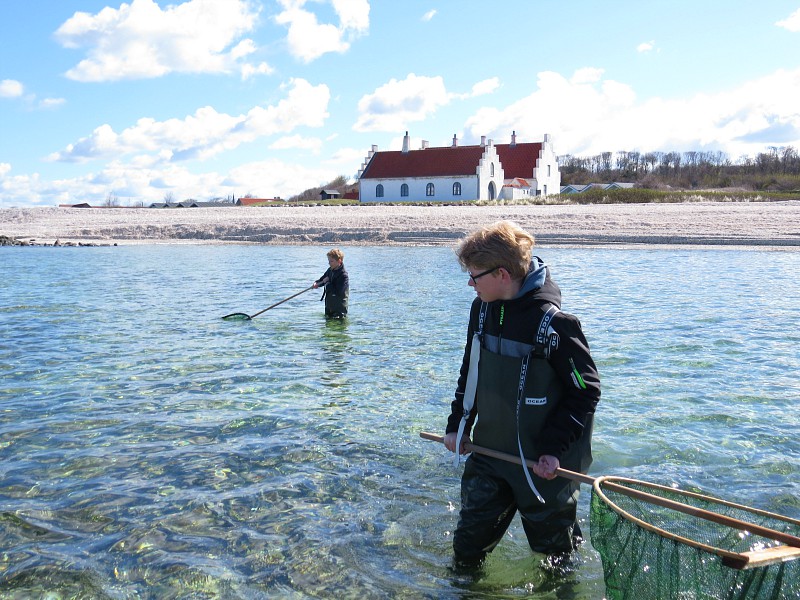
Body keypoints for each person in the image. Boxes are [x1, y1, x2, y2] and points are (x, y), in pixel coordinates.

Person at [442, 220, 600, 569]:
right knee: (465, 554)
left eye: (475, 275)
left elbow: (586, 390)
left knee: (556, 565)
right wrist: (458, 425)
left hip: (542, 468)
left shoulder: (556, 325)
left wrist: (553, 450)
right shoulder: (480, 310)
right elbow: (471, 370)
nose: (470, 283)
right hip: (488, 457)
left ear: (502, 274)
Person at [313, 248, 349, 318]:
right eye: (329, 261)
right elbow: (322, 279)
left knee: (337, 327)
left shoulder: (343, 275)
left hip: (339, 309)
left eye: (331, 261)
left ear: (339, 261)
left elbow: (338, 292)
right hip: (329, 307)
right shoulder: (330, 270)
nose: (329, 263)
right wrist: (316, 283)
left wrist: (327, 283)